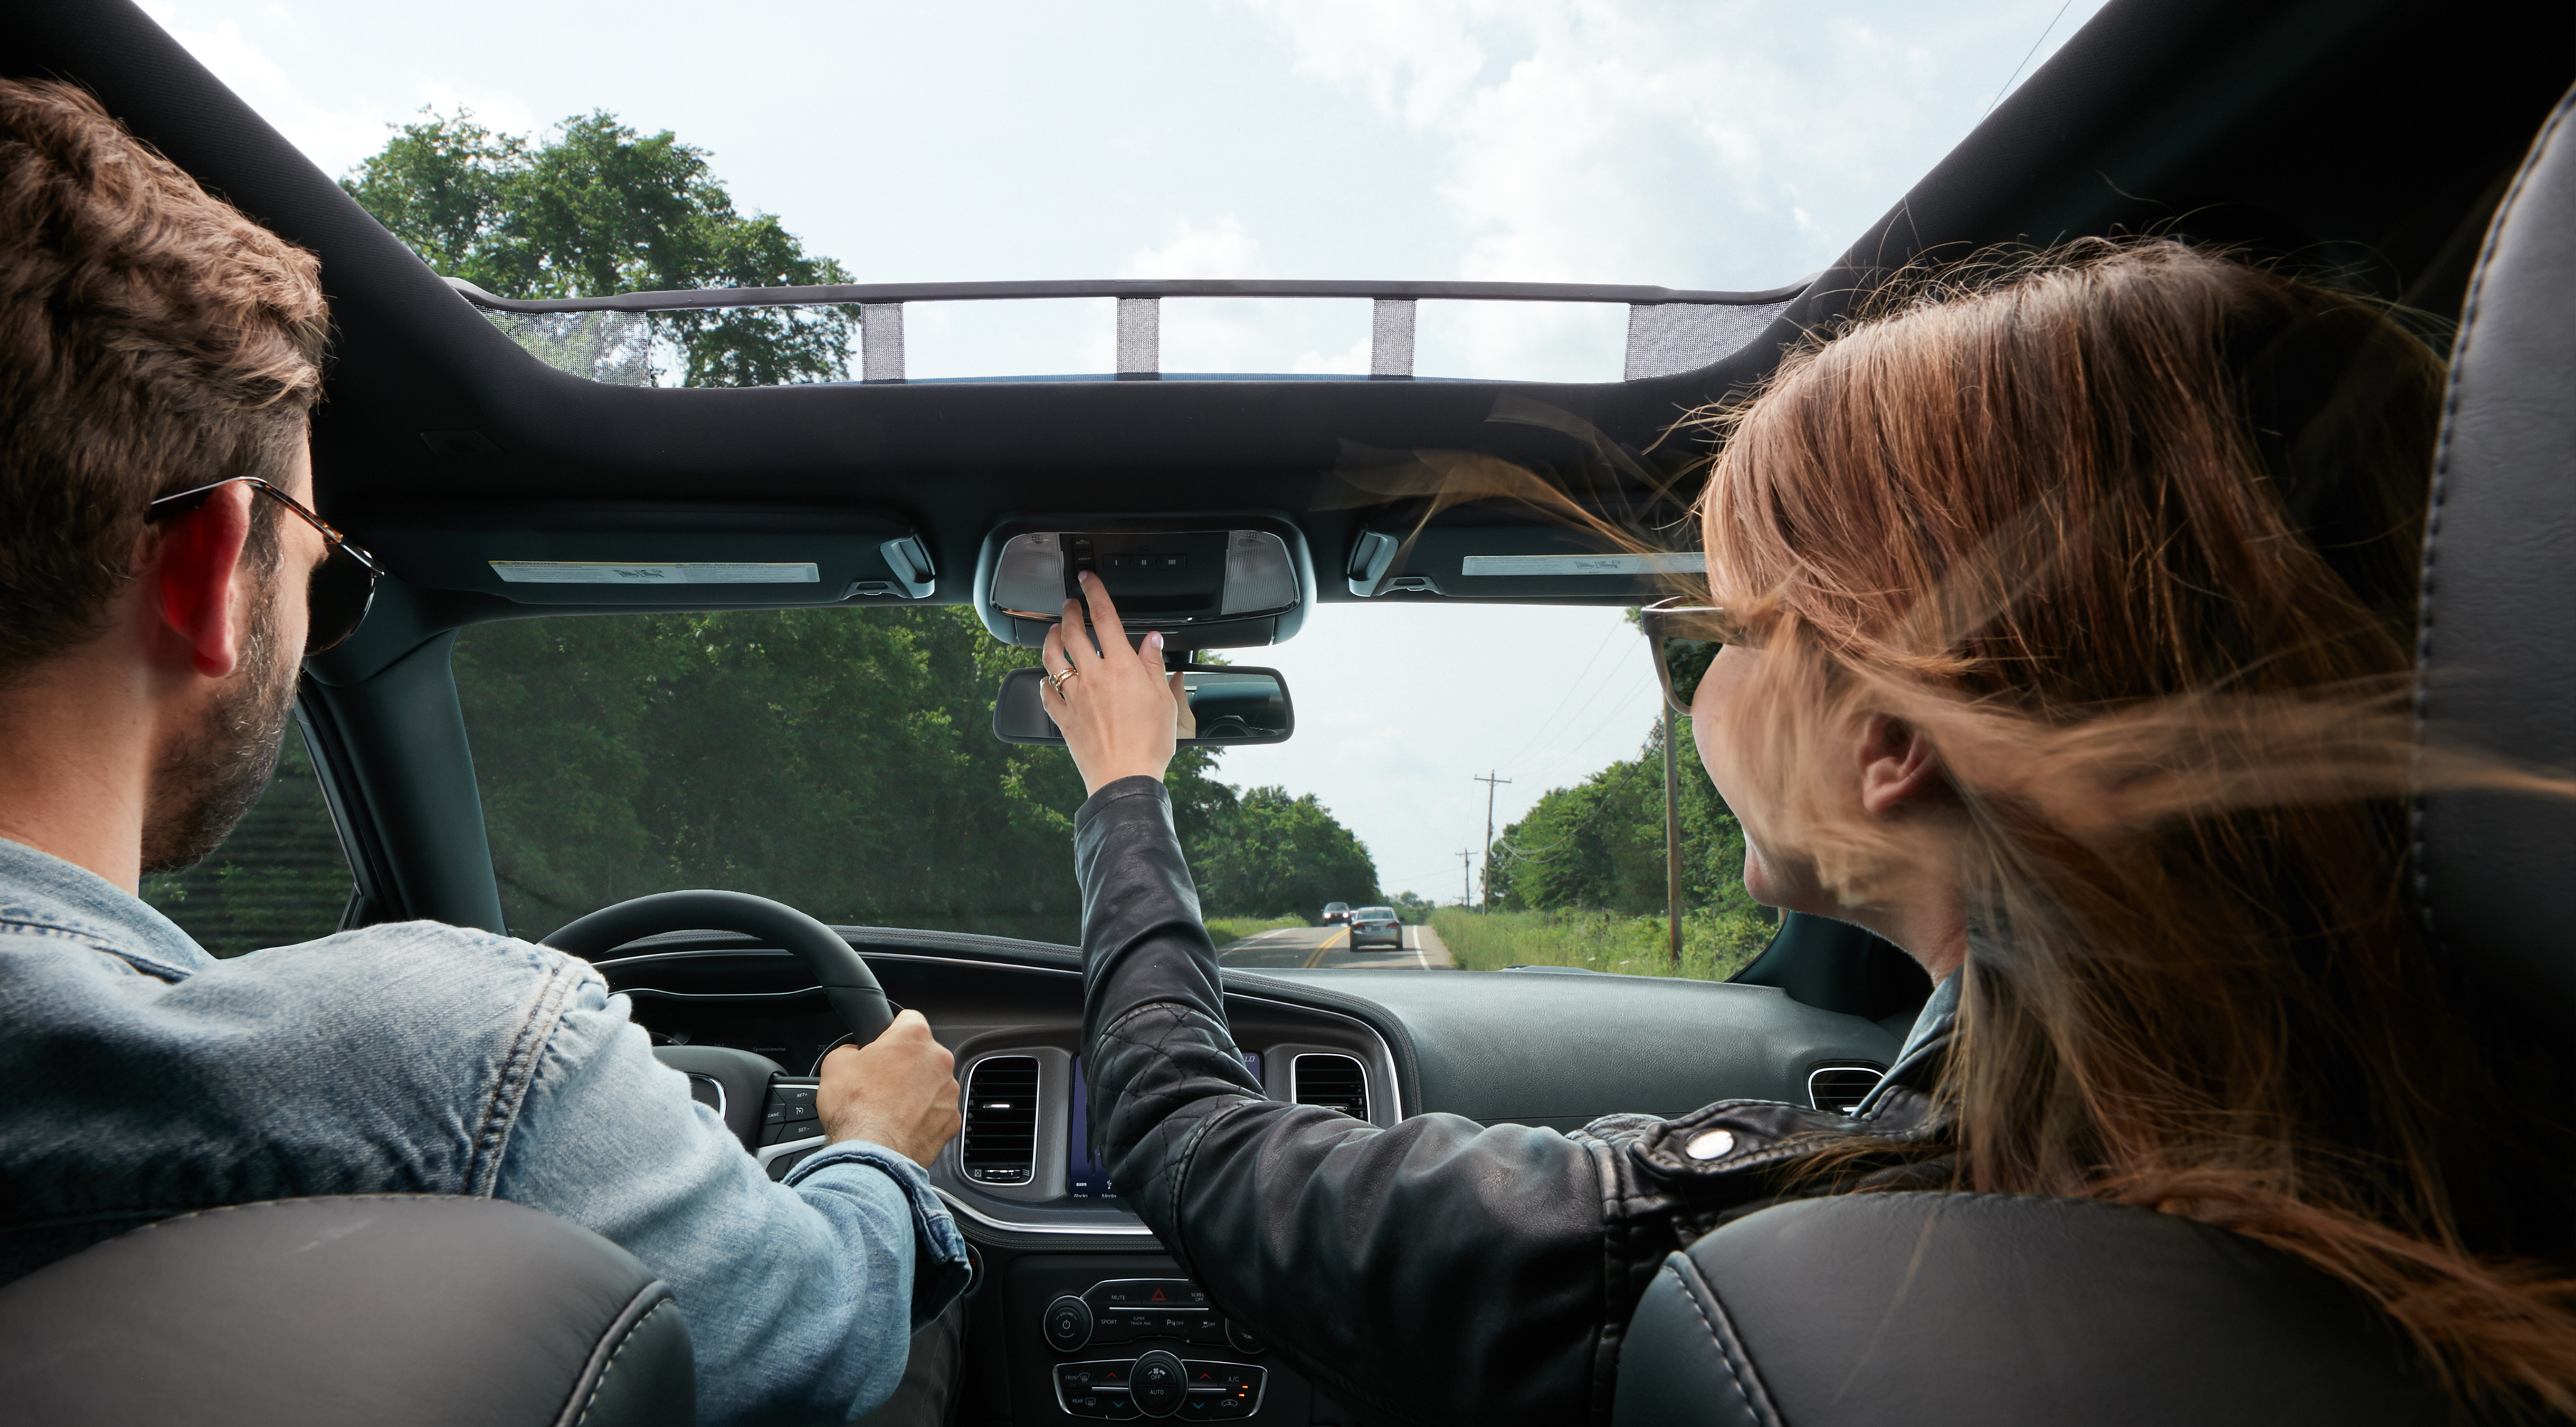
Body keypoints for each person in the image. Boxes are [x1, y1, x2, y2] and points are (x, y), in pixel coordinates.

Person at [1042, 238, 2576, 1423]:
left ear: (1890, 736)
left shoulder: (1773, 1261)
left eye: (1734, 624)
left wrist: (1125, 786)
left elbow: (1182, 1137)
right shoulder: (2488, 1180)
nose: (1707, 670)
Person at [0, 61, 967, 1426]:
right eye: (321, 559)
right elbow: (820, 1336)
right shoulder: (462, 1077)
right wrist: (874, 1148)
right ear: (205, 570)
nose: (318, 614)